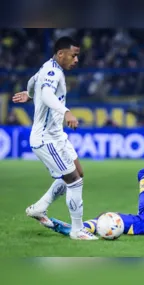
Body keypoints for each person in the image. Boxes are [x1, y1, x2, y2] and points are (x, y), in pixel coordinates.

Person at [12, 36, 97, 240]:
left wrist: (31, 94)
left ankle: (39, 208)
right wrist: (66, 111)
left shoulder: (47, 68)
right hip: (45, 138)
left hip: (57, 135)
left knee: (78, 172)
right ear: (61, 54)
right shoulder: (52, 71)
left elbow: (33, 82)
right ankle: (77, 231)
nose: (76, 60)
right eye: (74, 55)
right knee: (74, 181)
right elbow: (48, 95)